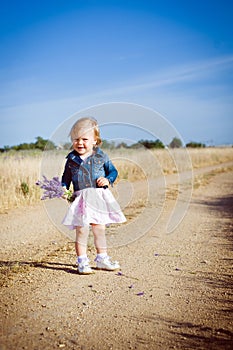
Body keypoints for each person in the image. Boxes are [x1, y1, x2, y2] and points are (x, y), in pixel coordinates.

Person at [62, 117, 126, 274]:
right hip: (81, 199)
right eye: (76, 139)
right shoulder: (71, 159)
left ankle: (102, 259)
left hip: (98, 197)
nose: (80, 143)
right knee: (82, 231)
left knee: (99, 230)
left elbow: (113, 171)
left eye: (85, 139)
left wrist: (108, 179)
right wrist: (64, 188)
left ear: (95, 141)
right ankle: (82, 262)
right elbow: (65, 178)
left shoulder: (101, 156)